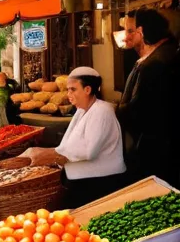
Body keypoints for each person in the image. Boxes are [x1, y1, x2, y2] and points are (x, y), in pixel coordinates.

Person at [22, 67, 126, 208]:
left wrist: (50, 154)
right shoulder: (81, 111)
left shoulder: (102, 111)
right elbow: (66, 145)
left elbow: (89, 151)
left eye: (73, 89)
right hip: (80, 179)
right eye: (68, 89)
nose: (68, 94)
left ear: (87, 90)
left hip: (100, 182)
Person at [117, 9, 179, 186]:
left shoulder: (156, 64)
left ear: (142, 32)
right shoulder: (156, 57)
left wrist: (114, 111)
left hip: (158, 151)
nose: (125, 37)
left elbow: (140, 112)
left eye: (130, 31)